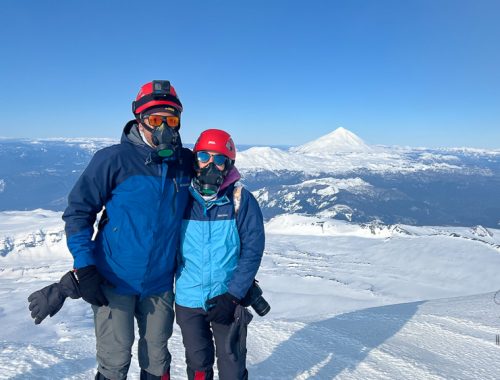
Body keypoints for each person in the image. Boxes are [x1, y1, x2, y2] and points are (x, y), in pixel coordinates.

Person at [61, 80, 193, 380]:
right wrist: (85, 267)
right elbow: (79, 213)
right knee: (115, 358)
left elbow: (213, 190)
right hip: (113, 280)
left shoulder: (185, 163)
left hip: (159, 284)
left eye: (171, 120)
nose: (165, 129)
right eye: (155, 120)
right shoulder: (113, 160)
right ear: (139, 119)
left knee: (157, 360)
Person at [175, 129, 266, 380]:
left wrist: (233, 294)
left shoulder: (240, 200)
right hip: (189, 299)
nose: (210, 165)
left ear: (228, 165)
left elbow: (252, 250)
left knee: (232, 365)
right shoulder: (181, 199)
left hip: (227, 298)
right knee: (198, 365)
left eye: (219, 159)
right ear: (195, 159)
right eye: (204, 156)